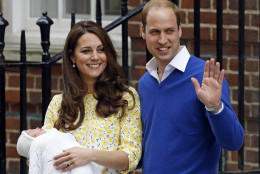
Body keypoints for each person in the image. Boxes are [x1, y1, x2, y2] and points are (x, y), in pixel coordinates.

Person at [17, 20, 142, 174]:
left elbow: (131, 158)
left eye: (101, 49)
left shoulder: (124, 98)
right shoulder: (58, 104)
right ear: (72, 56)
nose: (95, 57)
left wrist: (89, 155)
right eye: (86, 51)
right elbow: (42, 151)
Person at [138, 0, 244, 173]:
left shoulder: (206, 77)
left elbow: (233, 142)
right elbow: (149, 151)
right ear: (143, 32)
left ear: (179, 29)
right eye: (155, 32)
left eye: (169, 31)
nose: (163, 40)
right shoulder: (145, 83)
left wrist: (215, 107)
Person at [17, 127, 103, 174]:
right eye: (32, 131)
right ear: (32, 142)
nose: (36, 127)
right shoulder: (42, 143)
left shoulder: (52, 136)